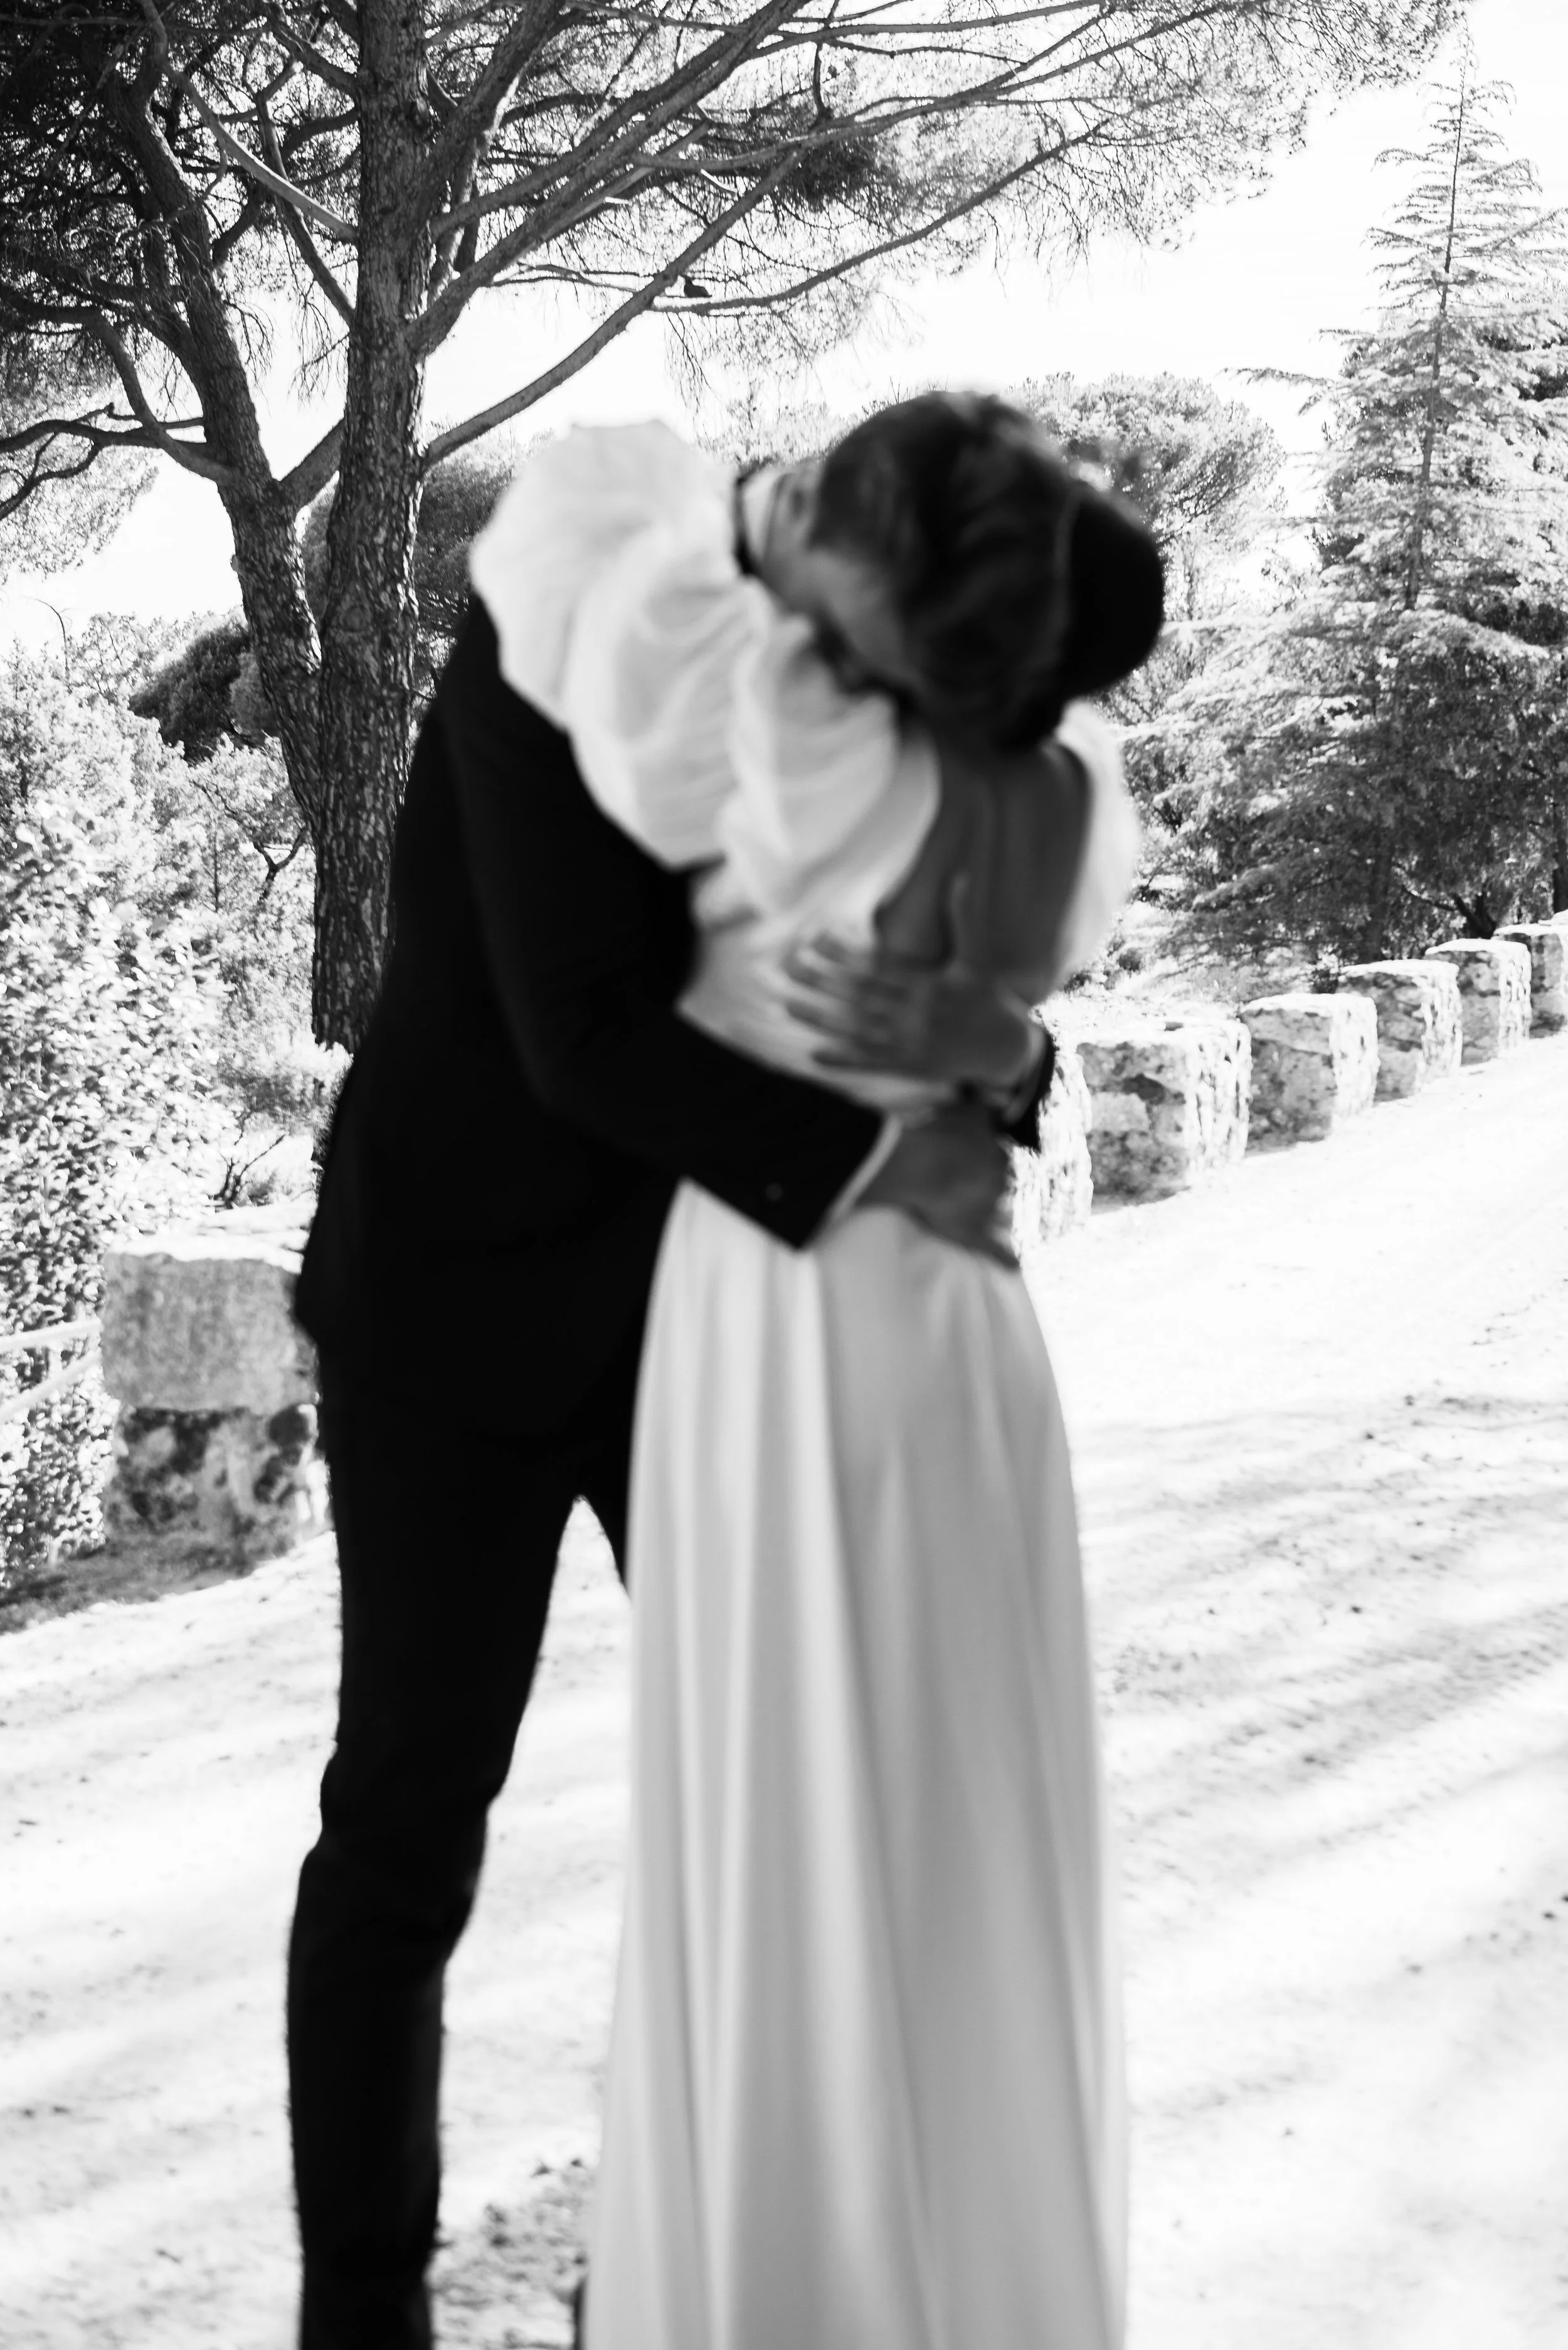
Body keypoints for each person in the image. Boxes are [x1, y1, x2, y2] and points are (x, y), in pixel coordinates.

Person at [287, 398, 1091, 2348]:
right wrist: (876, 1157)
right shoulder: (565, 607)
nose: (872, 692)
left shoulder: (867, 651)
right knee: (407, 1825)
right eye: (871, 649)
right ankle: (361, 2312)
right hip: (455, 1317)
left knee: (787, 1794)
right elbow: (577, 1030)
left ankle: (699, 2260)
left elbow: (919, 925)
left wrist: (996, 1053)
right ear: (813, 517)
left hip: (721, 1332)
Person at [477, 393, 1164, 2350]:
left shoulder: (771, 726)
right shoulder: (1069, 796)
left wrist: (751, 523)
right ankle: (991, 2274)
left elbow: (566, 528)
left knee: (774, 1790)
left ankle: (784, 2273)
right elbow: (1022, 1002)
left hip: (775, 1295)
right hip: (967, 1310)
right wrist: (996, 1048)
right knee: (973, 1791)